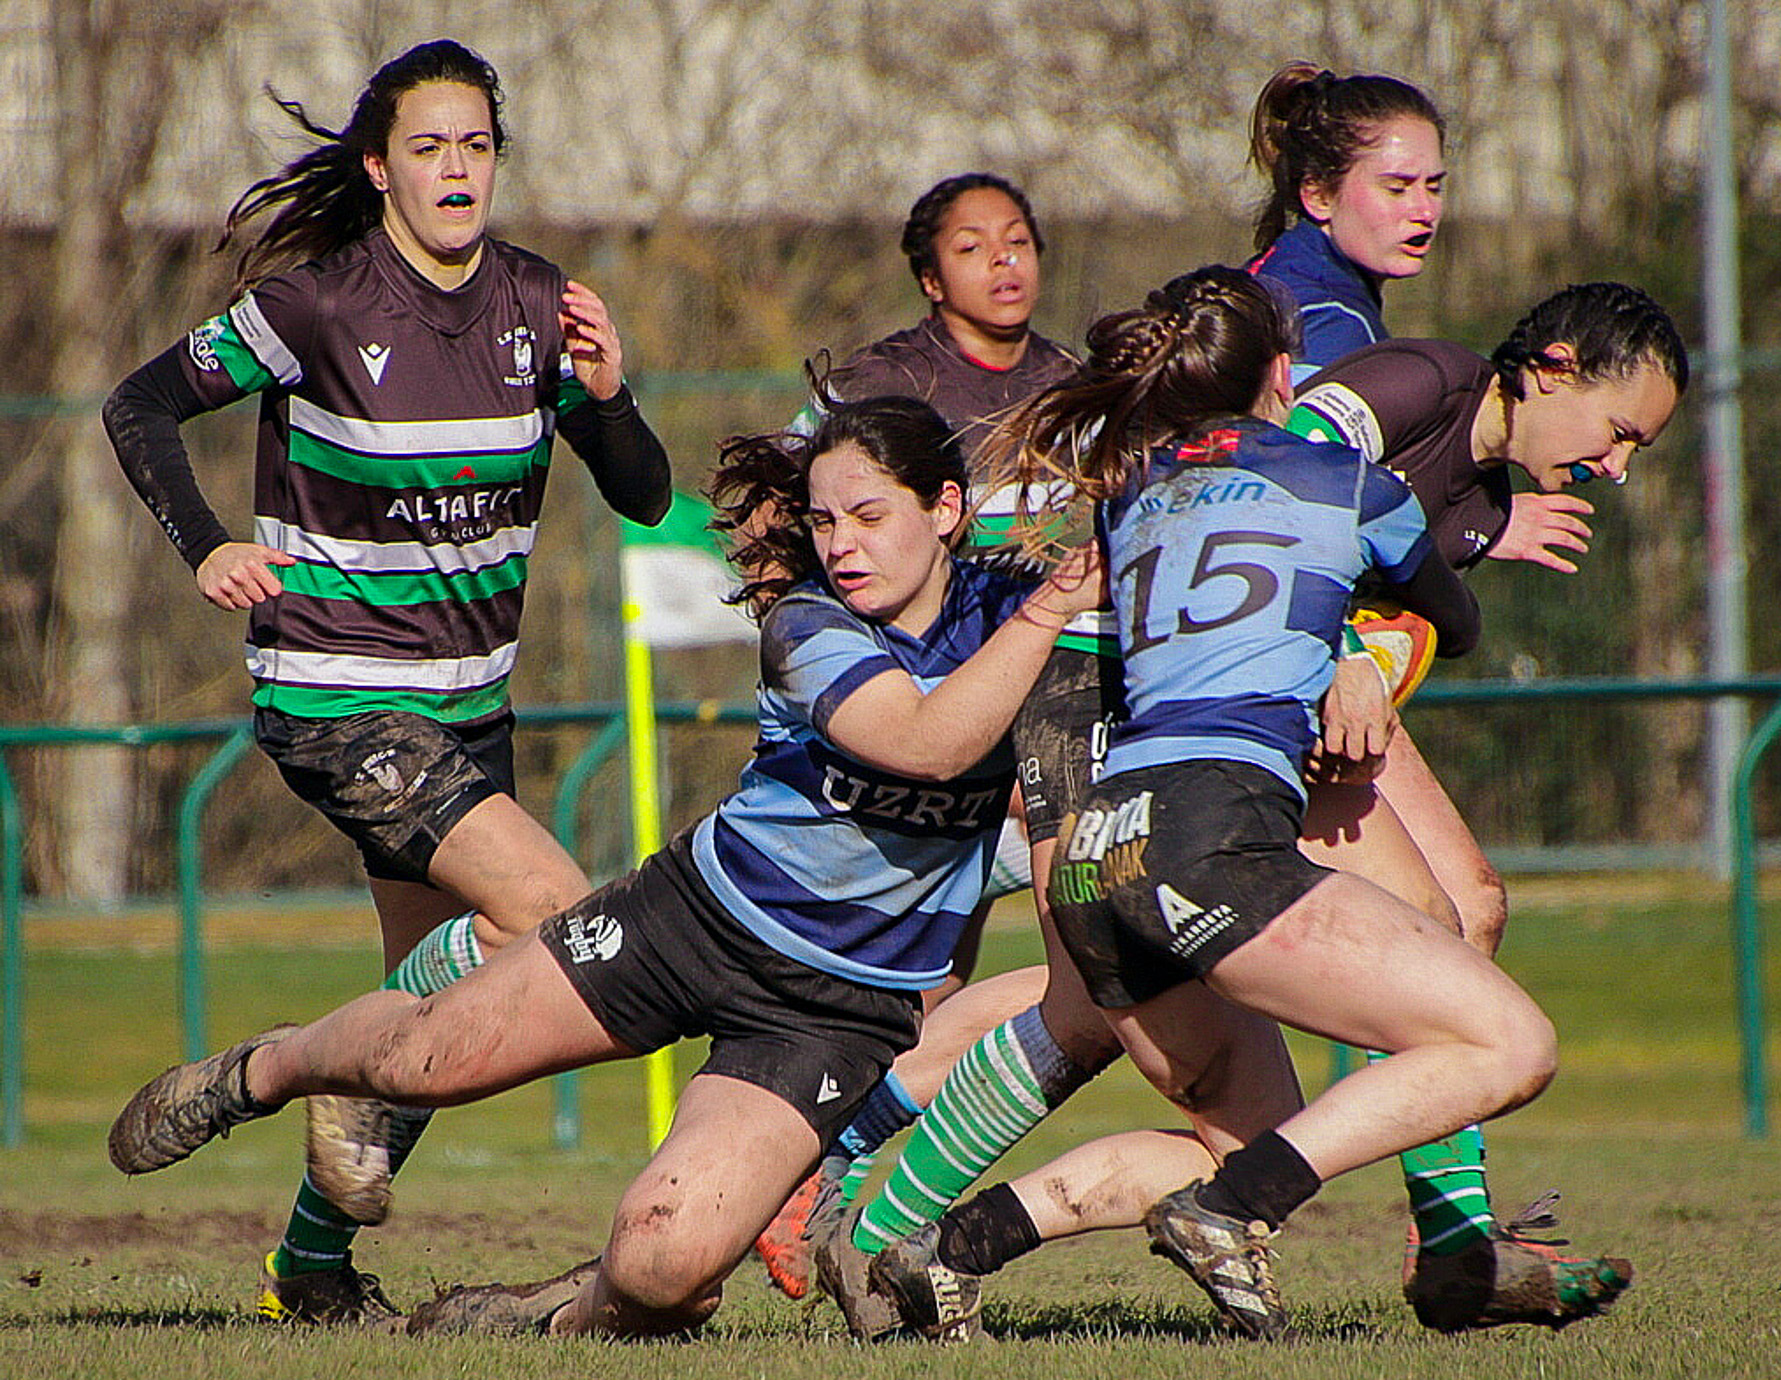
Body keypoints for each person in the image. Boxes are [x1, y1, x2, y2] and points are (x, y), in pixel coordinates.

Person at [108, 394, 1105, 1340]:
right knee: (419, 1061)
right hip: (690, 921)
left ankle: (546, 1314)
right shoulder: (813, 623)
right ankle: (258, 1072)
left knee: (664, 1272)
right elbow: (924, 741)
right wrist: (1054, 609)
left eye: (867, 516)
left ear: (946, 509)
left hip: (832, 1014)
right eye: (824, 518)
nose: (839, 544)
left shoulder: (1023, 618)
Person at [865, 279, 1687, 1340]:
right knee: (1507, 1042)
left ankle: (934, 1251)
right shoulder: (1386, 427)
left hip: (1107, 826)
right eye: (1623, 433)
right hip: (1202, 819)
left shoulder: (1139, 487)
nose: (1619, 465)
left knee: (1250, 1110)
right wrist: (1376, 617)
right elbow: (1440, 607)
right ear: (1284, 379)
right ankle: (1263, 1218)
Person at [102, 39, 671, 1324]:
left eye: (475, 145)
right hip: (338, 693)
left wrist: (611, 391)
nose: (456, 167)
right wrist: (207, 546)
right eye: (428, 147)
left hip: (475, 704)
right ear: (380, 168)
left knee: (441, 1013)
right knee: (559, 915)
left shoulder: (538, 307)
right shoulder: (317, 306)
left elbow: (646, 495)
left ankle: (307, 1269)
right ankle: (267, 1077)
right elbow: (136, 407)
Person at [752, 172, 1082, 1297]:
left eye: (1021, 240)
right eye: (974, 246)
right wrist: (825, 656)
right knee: (924, 1007)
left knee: (1049, 989)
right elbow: (775, 507)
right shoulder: (883, 384)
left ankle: (842, 1188)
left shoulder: (1067, 388)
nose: (1004, 262)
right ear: (928, 273)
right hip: (915, 744)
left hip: (1032, 740)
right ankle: (831, 1184)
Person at [1244, 62, 1445, 379]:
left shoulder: (1281, 272)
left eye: (1433, 187)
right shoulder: (1329, 324)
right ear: (1319, 196)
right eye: (1397, 188)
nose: (1425, 211)